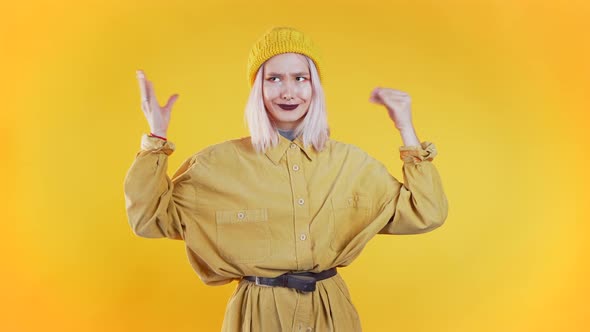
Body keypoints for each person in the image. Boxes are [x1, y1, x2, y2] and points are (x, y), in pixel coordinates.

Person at [124, 26, 448, 332]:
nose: (289, 91)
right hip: (258, 315)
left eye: (300, 78)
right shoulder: (216, 165)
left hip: (331, 313)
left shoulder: (351, 164)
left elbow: (426, 212)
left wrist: (406, 129)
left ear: (315, 87)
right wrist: (156, 136)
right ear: (258, 89)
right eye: (274, 78)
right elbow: (148, 219)